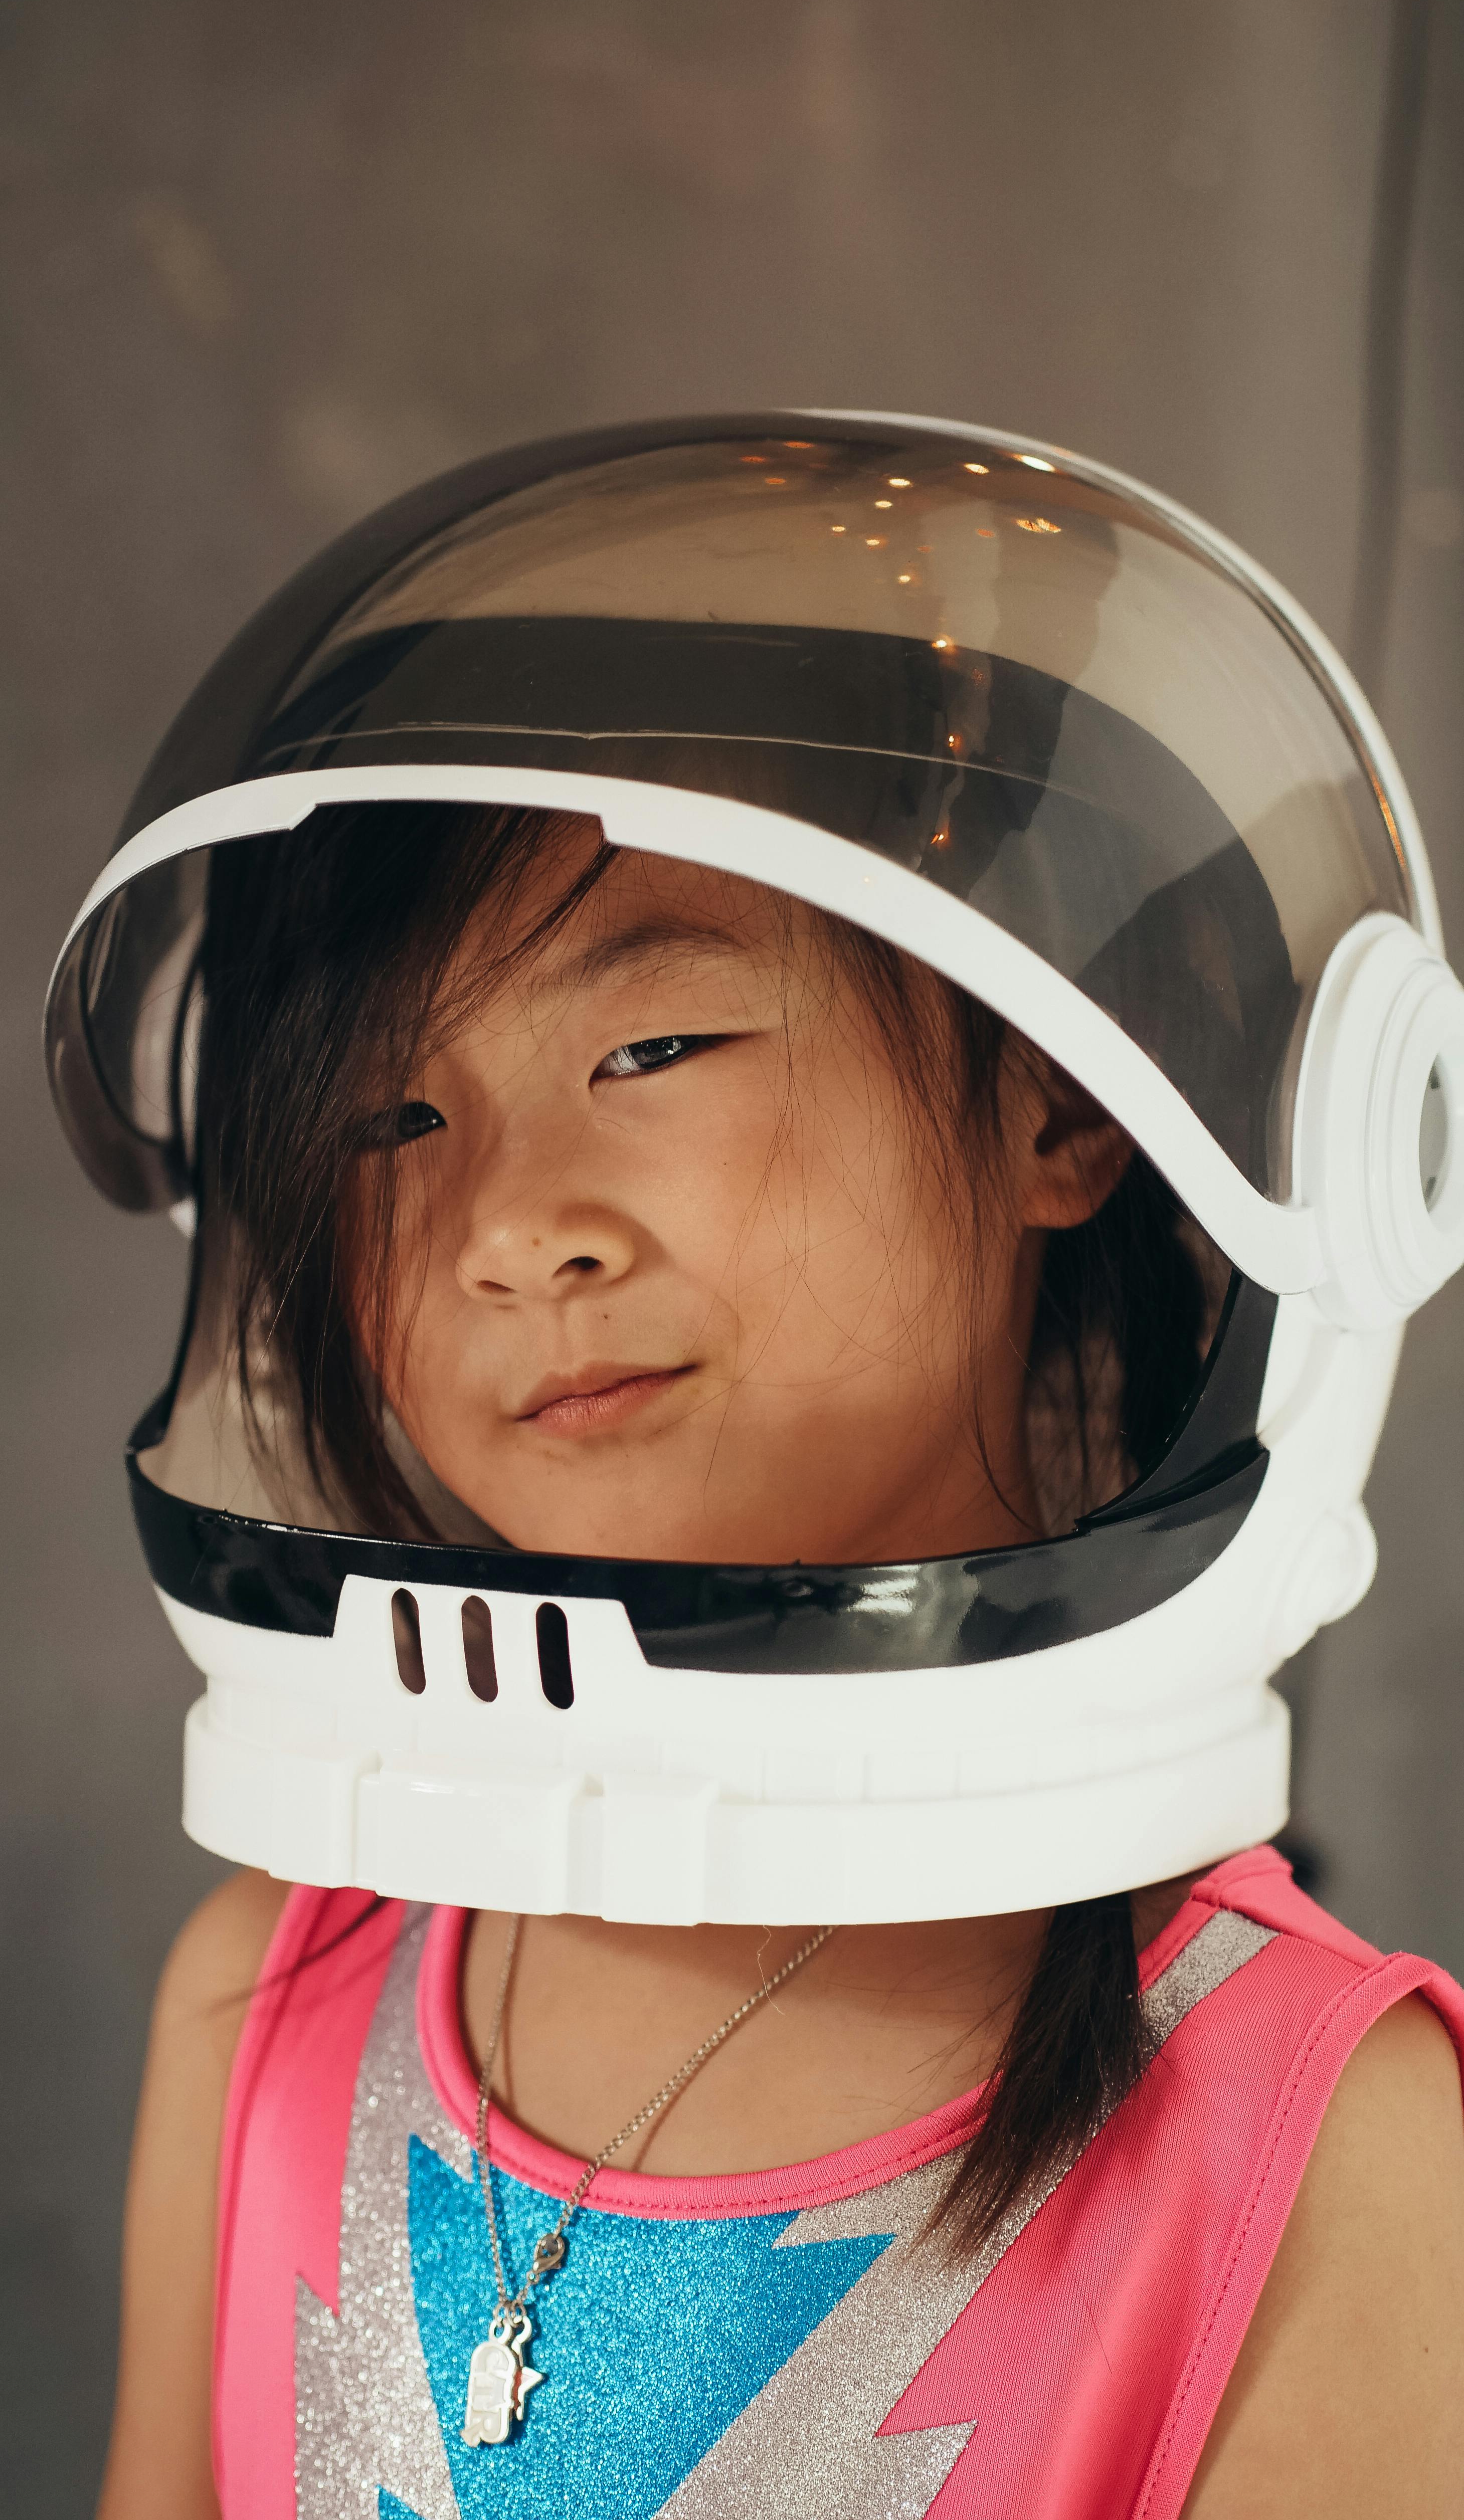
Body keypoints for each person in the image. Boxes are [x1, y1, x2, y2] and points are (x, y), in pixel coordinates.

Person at [48, 418, 1464, 2518]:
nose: (515, 1225)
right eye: (392, 1126)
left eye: (650, 1051)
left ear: (1065, 1114)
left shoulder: (1312, 2133)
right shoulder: (269, 1990)